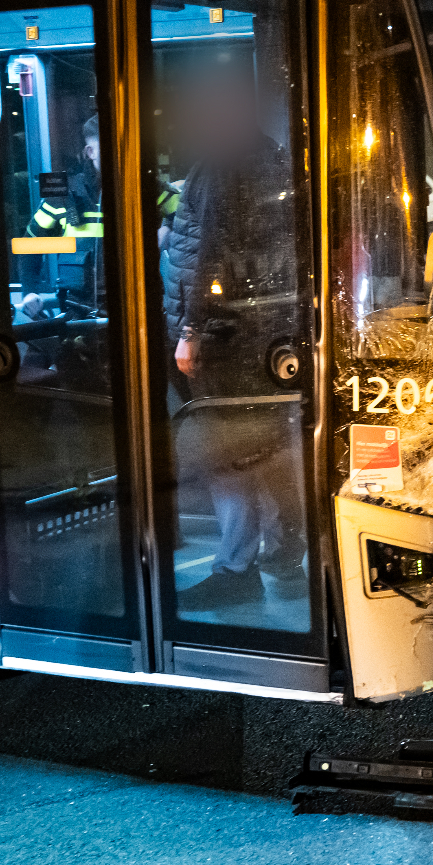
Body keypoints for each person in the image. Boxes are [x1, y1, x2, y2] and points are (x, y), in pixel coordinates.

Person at [164, 55, 305, 611]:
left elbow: (214, 253)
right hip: (260, 330)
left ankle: (234, 565)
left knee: (225, 455)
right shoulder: (269, 155)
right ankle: (284, 543)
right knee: (264, 447)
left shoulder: (222, 165)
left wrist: (191, 330)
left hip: (226, 336)